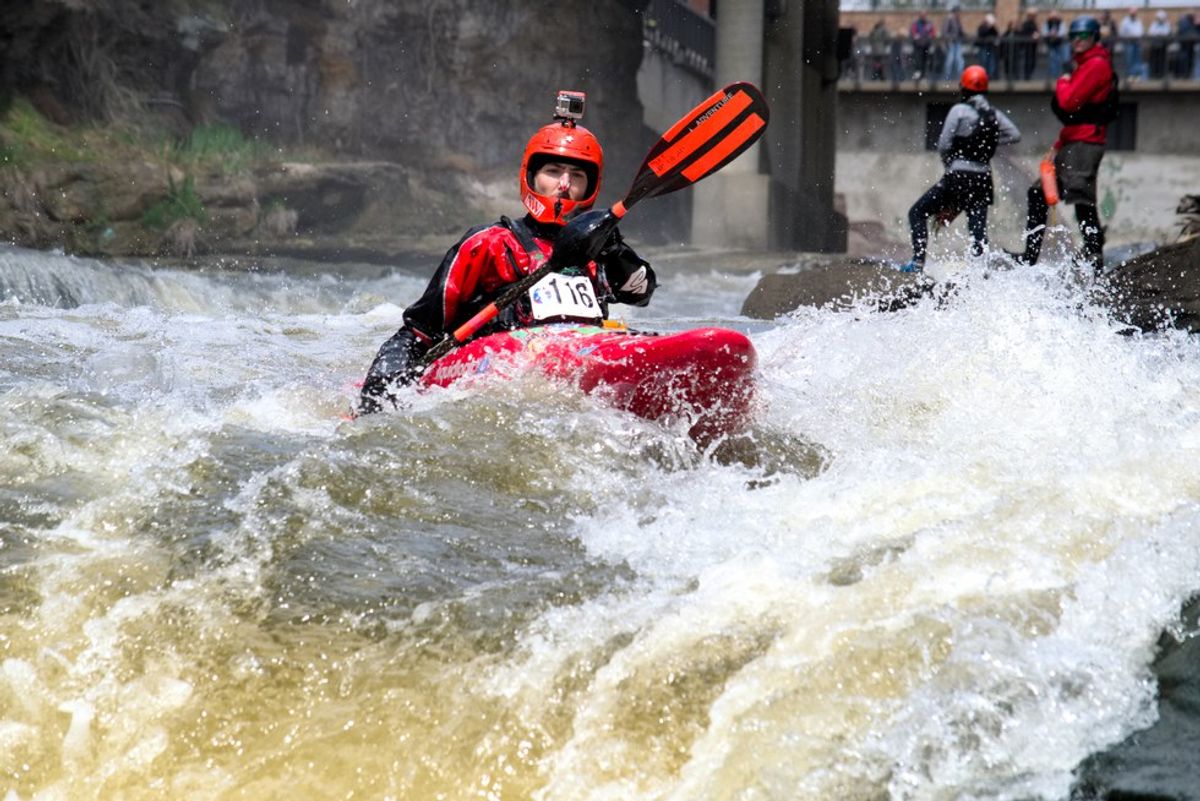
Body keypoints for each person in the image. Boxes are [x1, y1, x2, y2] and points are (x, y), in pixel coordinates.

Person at [358, 94, 656, 413]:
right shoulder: (489, 243)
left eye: (577, 176)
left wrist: (614, 249)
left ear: (590, 186)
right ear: (532, 176)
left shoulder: (599, 248)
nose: (564, 184)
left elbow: (640, 293)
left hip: (582, 351)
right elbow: (419, 329)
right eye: (554, 171)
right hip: (500, 365)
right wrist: (380, 390)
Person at [1012, 16, 1116, 274]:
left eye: (1083, 36)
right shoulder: (1085, 64)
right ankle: (1030, 256)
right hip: (1074, 139)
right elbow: (1074, 111)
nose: (1077, 41)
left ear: (1093, 38)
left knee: (1082, 198)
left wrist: (1063, 80)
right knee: (1038, 193)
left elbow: (1069, 102)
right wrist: (1060, 143)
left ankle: (1094, 257)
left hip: (1086, 142)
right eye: (1074, 36)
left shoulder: (1096, 65)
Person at [898, 66, 1021, 273]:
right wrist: (988, 139)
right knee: (977, 230)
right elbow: (1015, 135)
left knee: (917, 212)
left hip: (957, 176)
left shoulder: (959, 111)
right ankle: (980, 271)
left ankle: (918, 262)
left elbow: (944, 144)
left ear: (963, 88)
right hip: (983, 178)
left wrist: (951, 166)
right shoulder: (994, 114)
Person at [1118, 8, 1148, 79]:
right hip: (1128, 43)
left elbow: (1141, 32)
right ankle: (1130, 75)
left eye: (1134, 13)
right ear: (1129, 13)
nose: (1133, 15)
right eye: (1132, 13)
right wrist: (1129, 36)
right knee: (1129, 59)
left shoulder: (1138, 21)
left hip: (1137, 43)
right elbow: (1121, 33)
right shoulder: (1125, 21)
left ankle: (1136, 75)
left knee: (1137, 60)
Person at [942, 7, 966, 81]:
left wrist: (964, 35)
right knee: (950, 60)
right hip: (951, 43)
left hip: (958, 42)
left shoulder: (958, 20)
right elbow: (944, 32)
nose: (959, 14)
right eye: (958, 12)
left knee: (960, 61)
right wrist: (950, 38)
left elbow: (961, 32)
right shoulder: (949, 20)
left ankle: (960, 78)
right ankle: (947, 78)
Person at [911, 12, 937, 80]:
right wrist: (917, 37)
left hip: (926, 45)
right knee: (917, 59)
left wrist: (929, 36)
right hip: (918, 45)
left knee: (925, 61)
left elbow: (933, 32)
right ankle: (917, 73)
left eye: (924, 15)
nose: (923, 17)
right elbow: (913, 33)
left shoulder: (929, 24)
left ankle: (923, 76)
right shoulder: (916, 23)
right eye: (922, 15)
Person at [1044, 12, 1068, 77]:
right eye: (1052, 17)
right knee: (1052, 59)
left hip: (1059, 43)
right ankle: (1053, 75)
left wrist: (1056, 35)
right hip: (1050, 43)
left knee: (1058, 59)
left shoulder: (1061, 22)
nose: (1054, 18)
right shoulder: (1047, 23)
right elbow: (1044, 32)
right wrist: (1050, 34)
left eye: (1055, 17)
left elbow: (1062, 32)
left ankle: (1057, 75)